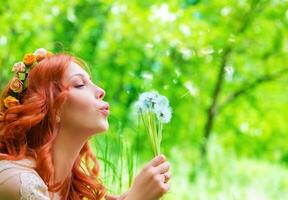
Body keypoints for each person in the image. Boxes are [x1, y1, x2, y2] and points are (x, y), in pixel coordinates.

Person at [0, 48, 171, 200]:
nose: (100, 91)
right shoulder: (17, 182)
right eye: (80, 84)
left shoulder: (68, 188)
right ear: (54, 108)